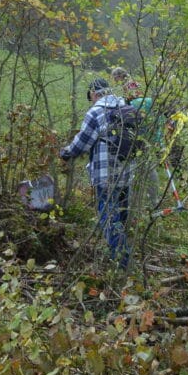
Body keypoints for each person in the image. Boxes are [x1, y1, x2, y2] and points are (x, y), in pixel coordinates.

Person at [59, 78, 135, 267]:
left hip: (105, 174)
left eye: (91, 96)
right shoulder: (126, 108)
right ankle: (121, 253)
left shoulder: (96, 112)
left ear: (94, 94)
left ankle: (121, 262)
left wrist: (65, 153)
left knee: (108, 215)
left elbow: (81, 143)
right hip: (127, 173)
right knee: (121, 215)